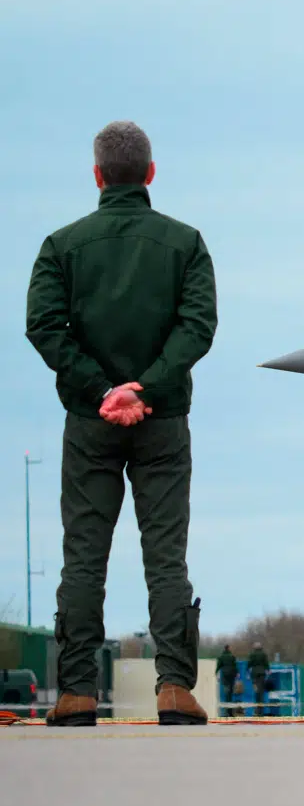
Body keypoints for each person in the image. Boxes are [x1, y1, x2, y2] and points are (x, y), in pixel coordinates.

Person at [27, 121, 217, 728]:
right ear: (151, 174)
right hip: (164, 423)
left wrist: (103, 390)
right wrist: (150, 387)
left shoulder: (61, 246)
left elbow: (44, 326)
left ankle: (77, 691)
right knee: (166, 558)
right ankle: (175, 688)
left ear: (98, 175)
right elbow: (198, 326)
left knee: (83, 556)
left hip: (89, 423)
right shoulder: (185, 244)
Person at [248, 643, 270, 716]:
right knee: (261, 691)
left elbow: (249, 663)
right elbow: (266, 663)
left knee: (256, 691)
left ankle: (257, 709)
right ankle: (260, 710)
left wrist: (247, 670)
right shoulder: (263, 654)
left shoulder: (252, 655)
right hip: (262, 673)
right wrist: (268, 670)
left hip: (254, 674)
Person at [216, 644, 238, 713]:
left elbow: (218, 666)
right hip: (232, 675)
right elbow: (235, 666)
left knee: (226, 691)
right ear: (229, 648)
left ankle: (226, 710)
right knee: (231, 692)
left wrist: (216, 673)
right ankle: (230, 710)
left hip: (225, 675)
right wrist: (237, 673)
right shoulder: (232, 657)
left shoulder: (221, 657)